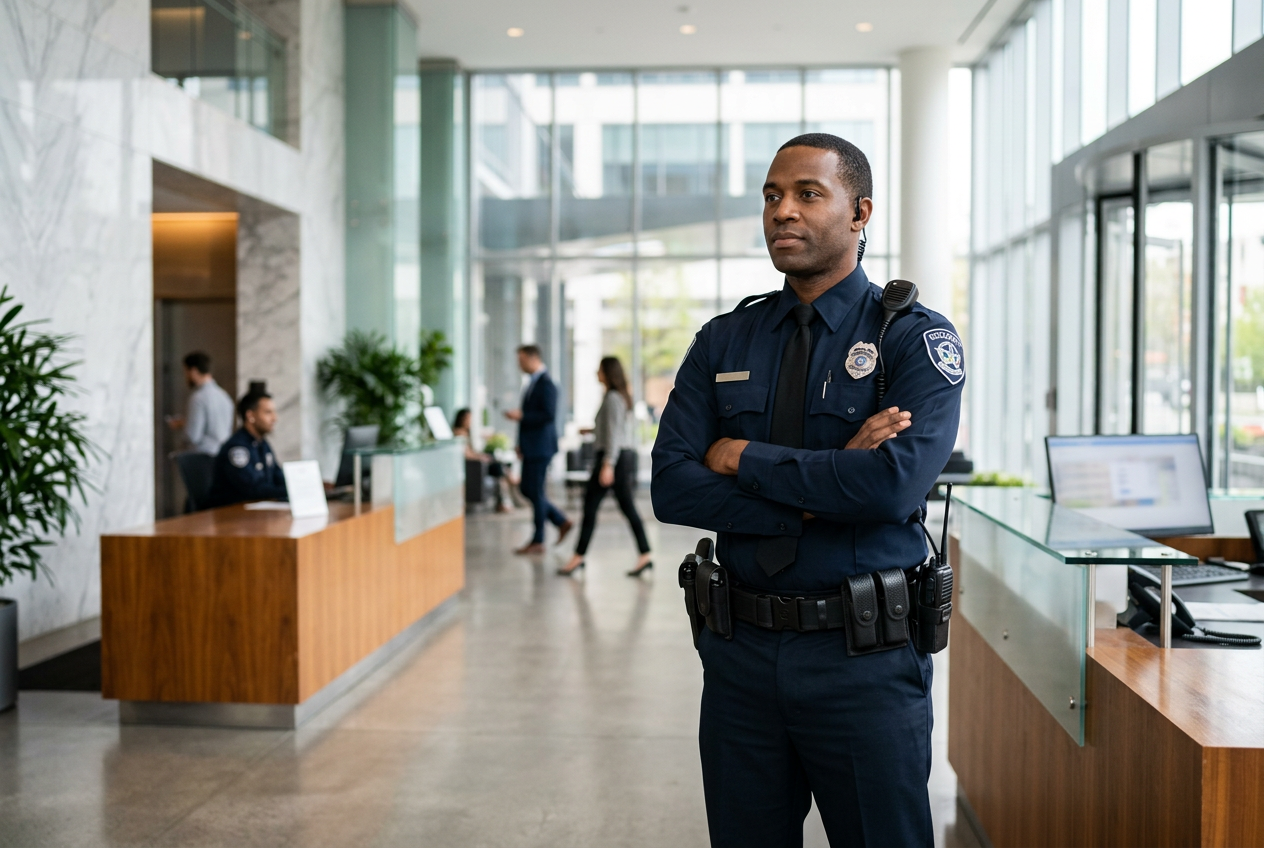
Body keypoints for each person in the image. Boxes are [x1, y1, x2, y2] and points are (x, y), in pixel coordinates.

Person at [651, 133, 965, 847]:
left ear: (860, 214)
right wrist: (825, 480)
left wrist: (741, 457)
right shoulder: (724, 340)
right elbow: (672, 487)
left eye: (806, 195)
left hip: (865, 662)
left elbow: (890, 487)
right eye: (771, 196)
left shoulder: (911, 341)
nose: (781, 212)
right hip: (739, 658)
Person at [558, 356, 652, 577]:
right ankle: (645, 554)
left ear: (608, 372)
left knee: (591, 507)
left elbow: (615, 434)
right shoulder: (618, 397)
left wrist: (608, 464)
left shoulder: (612, 398)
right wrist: (592, 431)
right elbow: (613, 431)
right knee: (625, 507)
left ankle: (578, 557)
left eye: (599, 369)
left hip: (613, 459)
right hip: (619, 457)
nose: (595, 373)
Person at [505, 345, 572, 554]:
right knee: (528, 489)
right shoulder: (532, 384)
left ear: (533, 358)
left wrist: (522, 416)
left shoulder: (546, 384)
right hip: (531, 446)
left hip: (541, 447)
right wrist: (520, 442)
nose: (519, 365)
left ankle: (539, 538)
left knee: (534, 490)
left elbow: (548, 415)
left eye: (521, 360)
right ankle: (559, 521)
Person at [205, 391, 288, 508]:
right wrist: (289, 491)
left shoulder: (262, 444)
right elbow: (252, 489)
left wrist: (297, 486)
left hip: (256, 512)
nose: (275, 418)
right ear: (250, 416)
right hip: (230, 515)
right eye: (268, 412)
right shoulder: (236, 448)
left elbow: (278, 476)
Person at [167, 351, 234, 456]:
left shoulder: (198, 398)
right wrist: (186, 422)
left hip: (203, 457)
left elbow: (192, 436)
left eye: (185, 372)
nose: (186, 377)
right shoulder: (224, 396)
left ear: (193, 371)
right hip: (221, 455)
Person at [453, 408, 512, 513]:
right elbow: (466, 454)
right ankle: (504, 497)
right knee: (497, 468)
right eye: (467, 418)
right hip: (471, 465)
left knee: (495, 463)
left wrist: (482, 455)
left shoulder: (467, 432)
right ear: (461, 419)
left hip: (475, 463)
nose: (469, 421)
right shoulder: (459, 433)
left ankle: (504, 499)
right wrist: (480, 457)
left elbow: (471, 451)